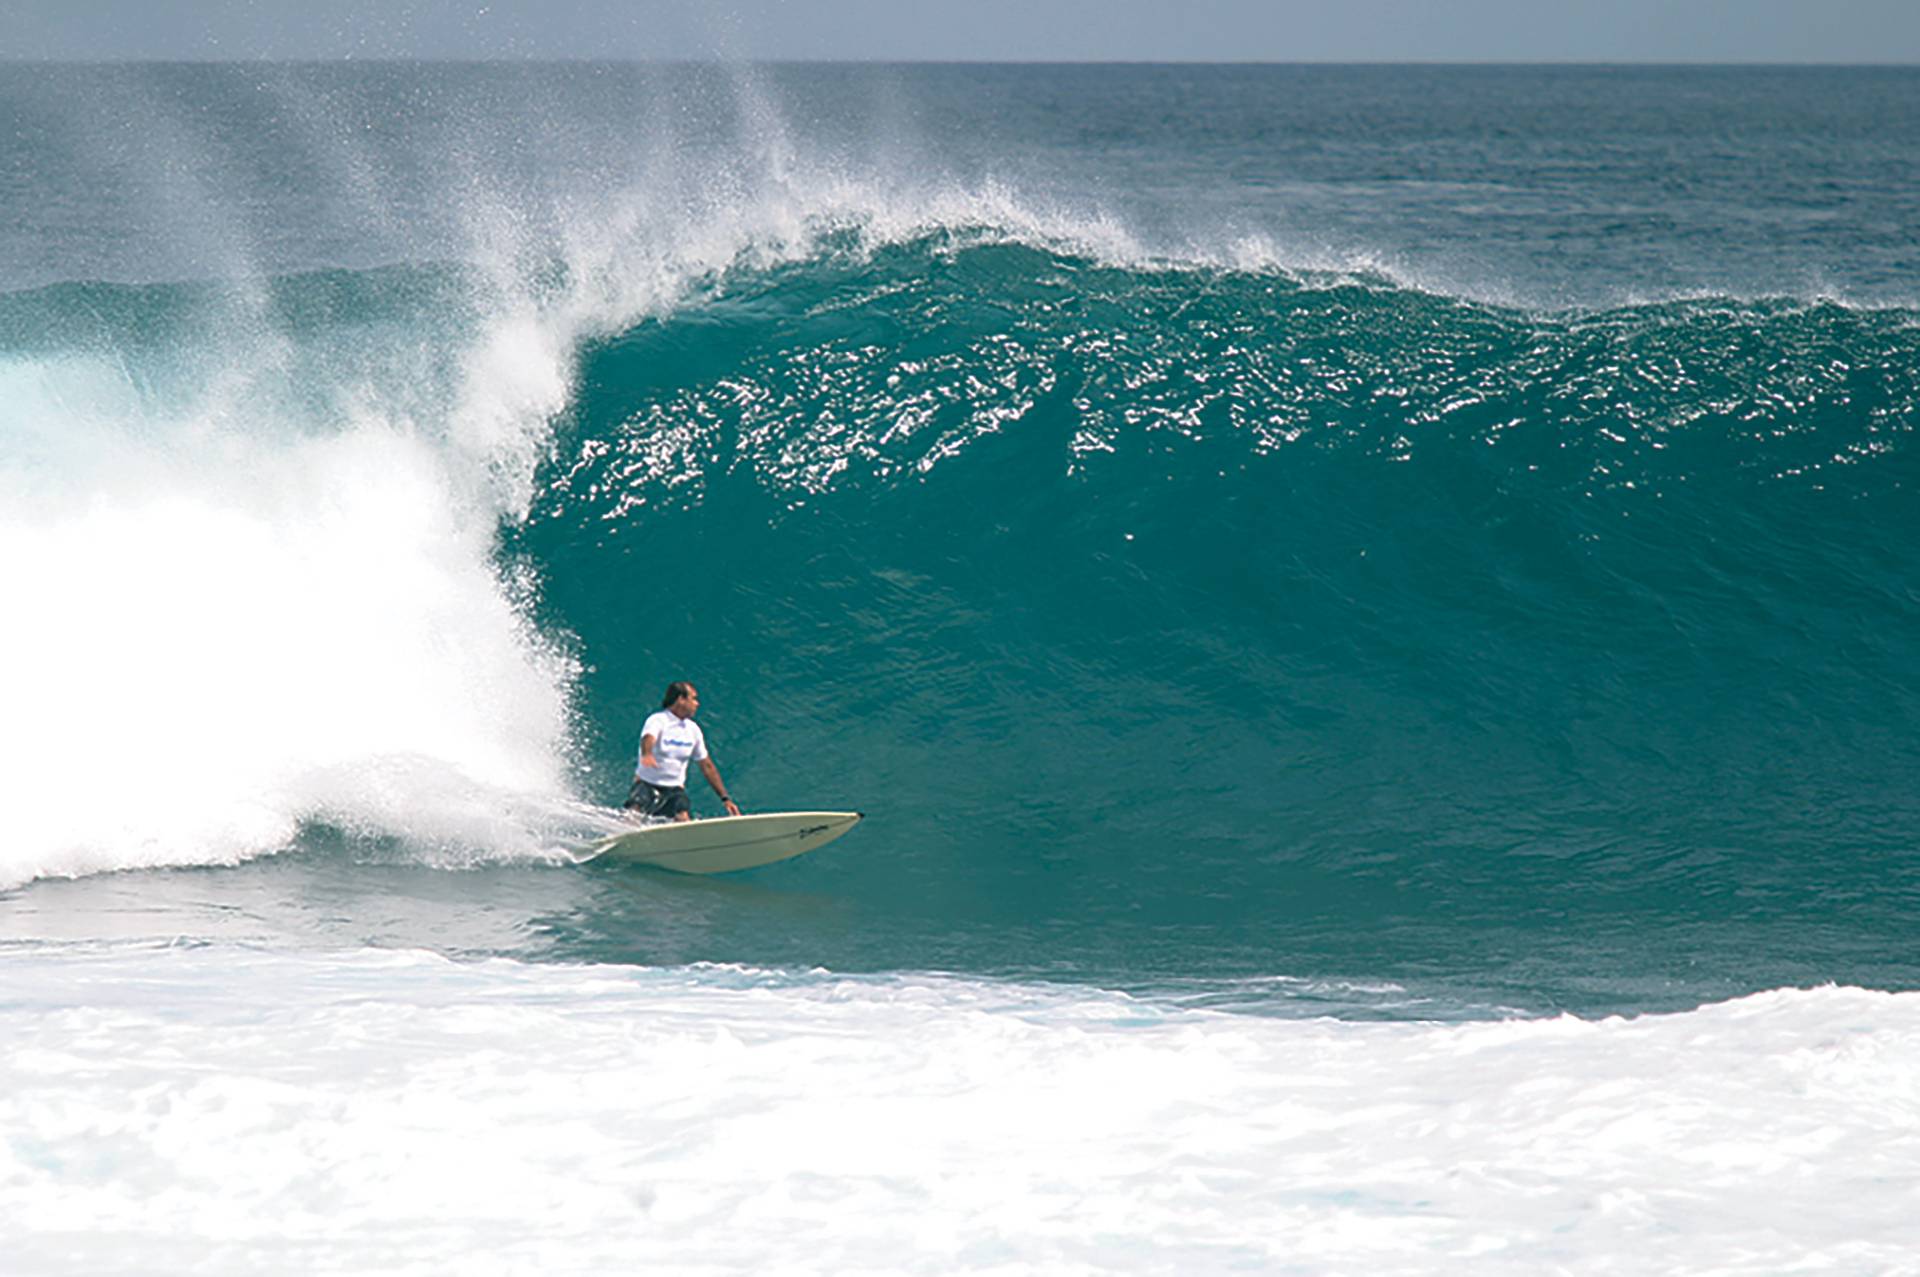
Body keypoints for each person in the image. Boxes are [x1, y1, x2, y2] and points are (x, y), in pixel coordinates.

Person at [624, 681, 741, 822]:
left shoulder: (693, 730)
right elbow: (648, 737)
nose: (697, 704)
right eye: (693, 698)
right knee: (635, 810)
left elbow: (707, 766)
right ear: (681, 699)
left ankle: (685, 842)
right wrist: (647, 754)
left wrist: (725, 798)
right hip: (647, 784)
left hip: (674, 789)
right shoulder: (658, 720)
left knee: (682, 814)